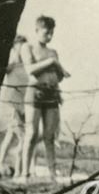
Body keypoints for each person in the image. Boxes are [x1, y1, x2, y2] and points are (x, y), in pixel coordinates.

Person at [19, 15, 69, 183]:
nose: (49, 36)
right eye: (47, 32)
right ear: (37, 30)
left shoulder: (53, 52)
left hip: (51, 93)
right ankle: (25, 174)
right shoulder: (27, 47)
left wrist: (57, 70)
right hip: (34, 92)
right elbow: (30, 70)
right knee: (31, 134)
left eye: (52, 33)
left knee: (49, 136)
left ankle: (52, 175)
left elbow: (60, 76)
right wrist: (51, 62)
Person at [0, 35, 28, 177]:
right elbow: (4, 70)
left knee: (11, 135)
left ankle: (1, 162)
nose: (23, 49)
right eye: (20, 46)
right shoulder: (12, 63)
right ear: (15, 47)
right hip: (11, 104)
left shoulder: (27, 65)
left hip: (23, 105)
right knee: (23, 137)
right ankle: (19, 171)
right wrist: (14, 58)